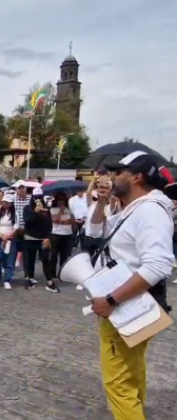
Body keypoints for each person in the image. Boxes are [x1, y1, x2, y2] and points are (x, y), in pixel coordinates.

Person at [88, 151, 174, 420]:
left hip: (128, 305)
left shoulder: (149, 211)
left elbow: (158, 266)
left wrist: (111, 300)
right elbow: (94, 232)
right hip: (131, 304)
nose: (113, 177)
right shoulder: (134, 208)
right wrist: (102, 203)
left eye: (119, 172)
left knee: (118, 383)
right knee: (132, 370)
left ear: (137, 177)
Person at [22, 187, 55, 292]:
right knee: (30, 259)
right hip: (30, 237)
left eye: (40, 198)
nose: (38, 200)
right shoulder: (27, 208)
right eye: (36, 198)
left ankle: (50, 282)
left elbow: (49, 224)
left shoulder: (46, 209)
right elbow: (27, 221)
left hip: (43, 238)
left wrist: (48, 237)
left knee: (45, 259)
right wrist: (35, 212)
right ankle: (30, 279)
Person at [0, 193, 18, 289]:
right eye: (4, 202)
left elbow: (15, 228)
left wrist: (7, 237)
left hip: (10, 239)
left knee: (9, 260)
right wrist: (1, 236)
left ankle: (8, 279)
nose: (5, 204)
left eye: (7, 203)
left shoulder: (15, 213)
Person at [49, 193, 75, 283]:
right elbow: (54, 220)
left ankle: (62, 273)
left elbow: (72, 220)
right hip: (56, 234)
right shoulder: (53, 209)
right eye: (59, 200)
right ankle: (52, 273)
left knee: (65, 255)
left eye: (63, 200)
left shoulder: (69, 209)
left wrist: (62, 221)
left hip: (67, 234)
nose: (61, 202)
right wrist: (61, 211)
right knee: (54, 255)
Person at [13, 183, 31, 281]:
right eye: (19, 189)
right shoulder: (12, 199)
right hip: (15, 229)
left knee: (27, 253)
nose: (21, 191)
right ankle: (10, 274)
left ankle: (27, 275)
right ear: (16, 190)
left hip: (27, 229)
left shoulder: (30, 199)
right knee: (12, 251)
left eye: (23, 189)